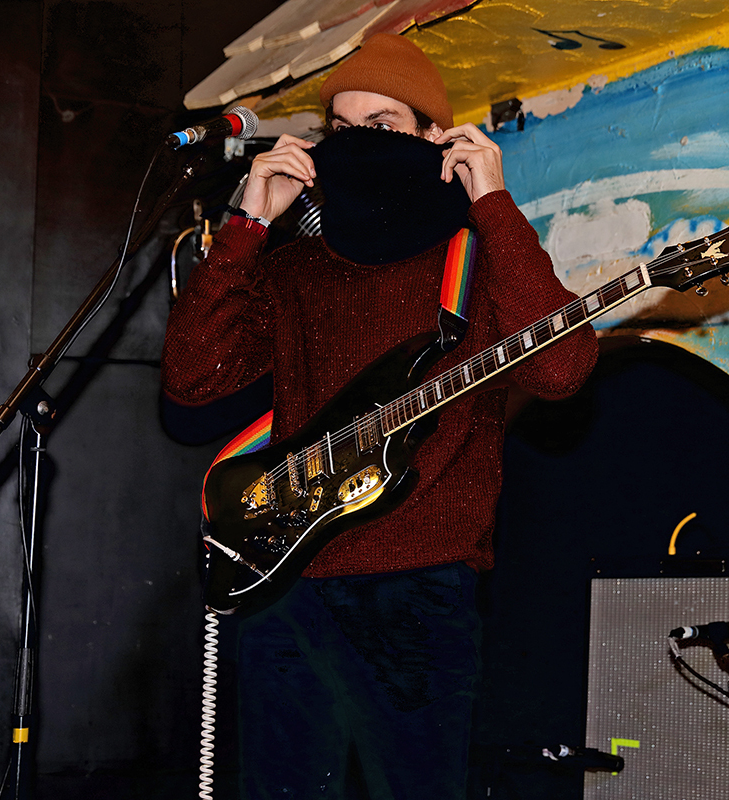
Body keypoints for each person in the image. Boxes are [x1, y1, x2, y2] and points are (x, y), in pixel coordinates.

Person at [162, 33, 597, 800]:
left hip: (421, 597)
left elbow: (562, 370)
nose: (359, 145)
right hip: (284, 588)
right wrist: (245, 230)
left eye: (384, 126)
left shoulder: (478, 255)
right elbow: (193, 385)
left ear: (437, 138)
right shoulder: (296, 267)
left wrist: (493, 203)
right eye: (343, 128)